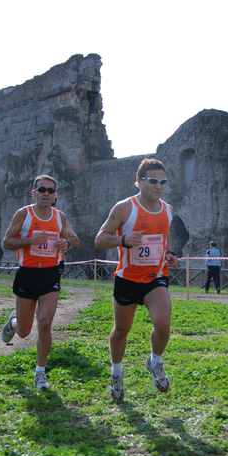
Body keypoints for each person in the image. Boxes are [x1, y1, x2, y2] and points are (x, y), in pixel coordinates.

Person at [95, 157, 179, 401]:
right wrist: (123, 240)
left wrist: (170, 255)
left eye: (162, 182)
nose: (158, 186)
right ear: (139, 181)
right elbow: (100, 239)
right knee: (121, 330)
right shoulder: (124, 208)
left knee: (163, 324)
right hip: (128, 278)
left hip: (155, 277)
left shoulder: (168, 210)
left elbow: (165, 237)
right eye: (153, 181)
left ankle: (155, 361)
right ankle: (117, 373)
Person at [1, 174, 80, 390]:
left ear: (55, 196)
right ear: (34, 193)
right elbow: (6, 242)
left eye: (50, 191)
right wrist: (30, 240)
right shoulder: (23, 214)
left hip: (50, 274)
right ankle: (12, 323)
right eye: (42, 190)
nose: (46, 194)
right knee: (24, 331)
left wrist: (66, 244)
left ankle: (40, 373)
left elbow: (74, 240)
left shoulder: (60, 217)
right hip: (27, 274)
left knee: (45, 324)